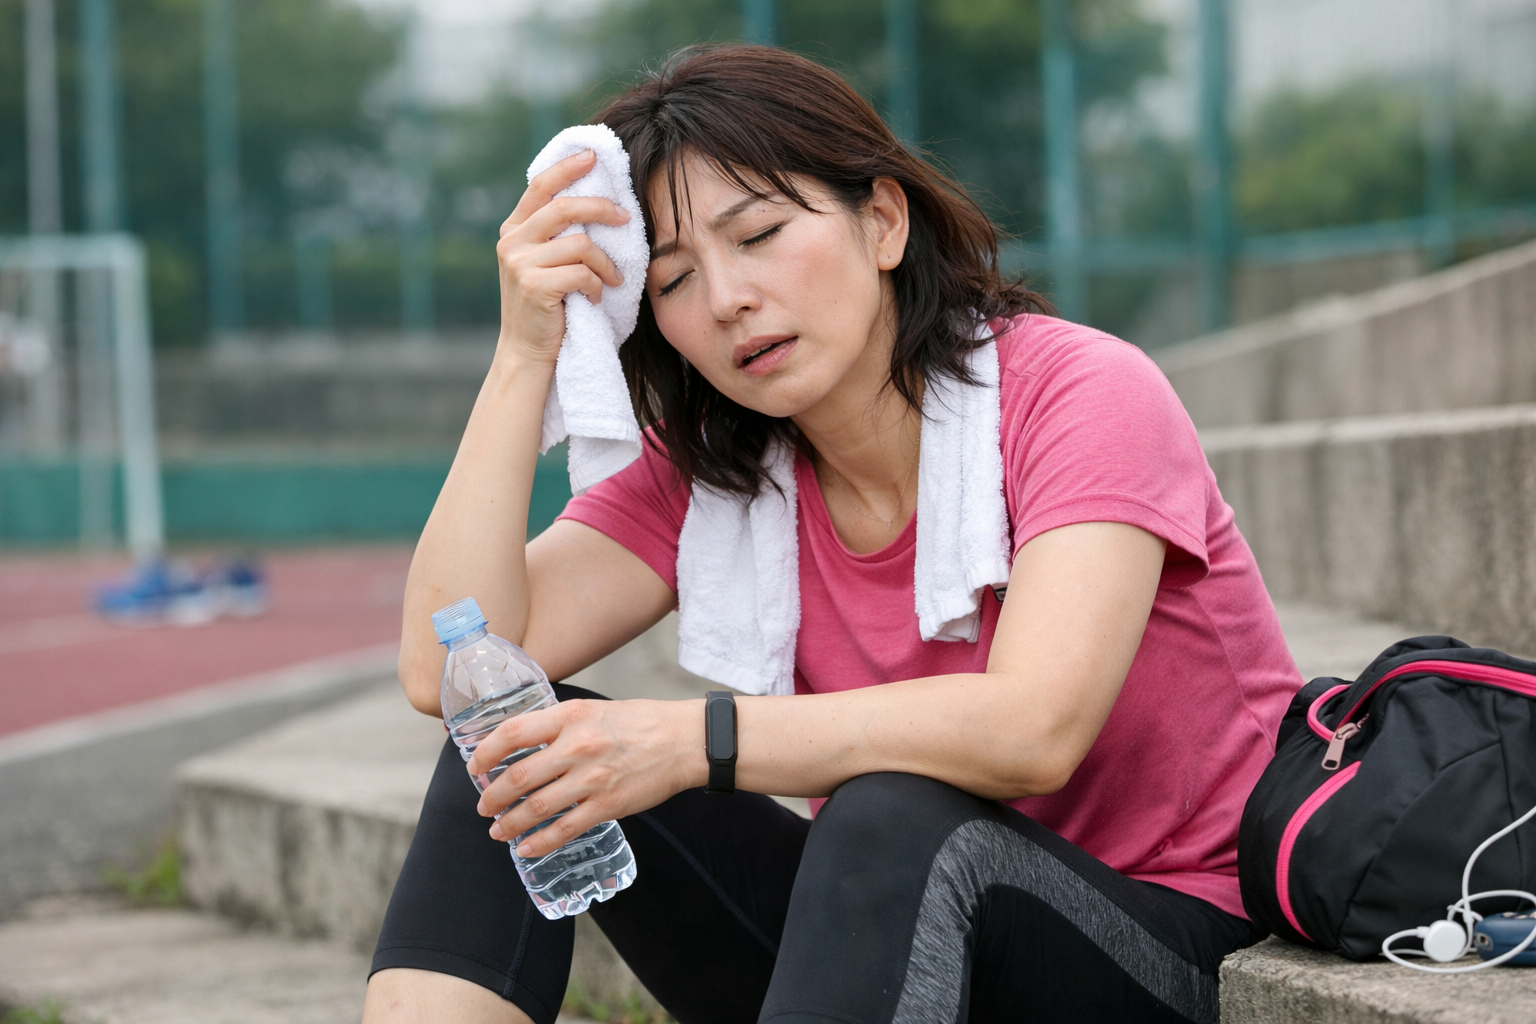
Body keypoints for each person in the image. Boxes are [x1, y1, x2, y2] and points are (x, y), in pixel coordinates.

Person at [362, 44, 1301, 1024]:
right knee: (521, 749)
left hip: (1166, 953)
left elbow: (1034, 729)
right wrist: (524, 352)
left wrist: (692, 739)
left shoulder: (1076, 393)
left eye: (759, 233)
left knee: (889, 810)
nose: (727, 297)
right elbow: (451, 664)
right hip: (880, 947)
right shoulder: (725, 467)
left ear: (884, 222)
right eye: (676, 280)